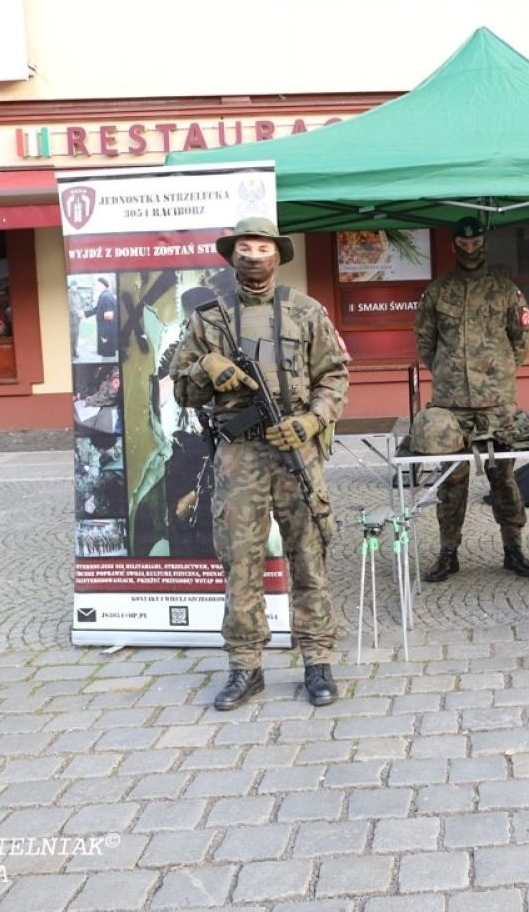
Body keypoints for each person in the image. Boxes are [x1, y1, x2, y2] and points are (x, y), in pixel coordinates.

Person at [169, 216, 350, 711]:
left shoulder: (306, 312)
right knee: (240, 562)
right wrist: (206, 367)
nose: (254, 255)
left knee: (309, 556)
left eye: (263, 246)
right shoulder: (208, 319)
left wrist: (312, 422)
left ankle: (317, 662)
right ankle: (245, 668)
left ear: (277, 254)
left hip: (296, 450)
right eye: (245, 246)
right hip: (238, 455)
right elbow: (181, 389)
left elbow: (334, 376)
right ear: (232, 255)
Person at [413, 215, 529, 582]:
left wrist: (498, 372)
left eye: (476, 243)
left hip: (497, 404)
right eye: (463, 244)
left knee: (504, 478)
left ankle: (513, 548)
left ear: (484, 244)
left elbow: (522, 337)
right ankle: (448, 552)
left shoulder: (505, 290)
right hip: (451, 407)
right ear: (455, 245)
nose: (470, 249)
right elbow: (425, 341)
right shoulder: (438, 291)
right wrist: (447, 371)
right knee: (452, 480)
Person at [88, 276, 117, 357]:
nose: (95, 287)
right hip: (105, 333)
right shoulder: (104, 296)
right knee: (105, 356)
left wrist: (105, 336)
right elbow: (98, 308)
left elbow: (109, 317)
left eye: (97, 286)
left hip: (106, 335)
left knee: (106, 358)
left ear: (102, 286)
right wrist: (85, 313)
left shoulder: (106, 297)